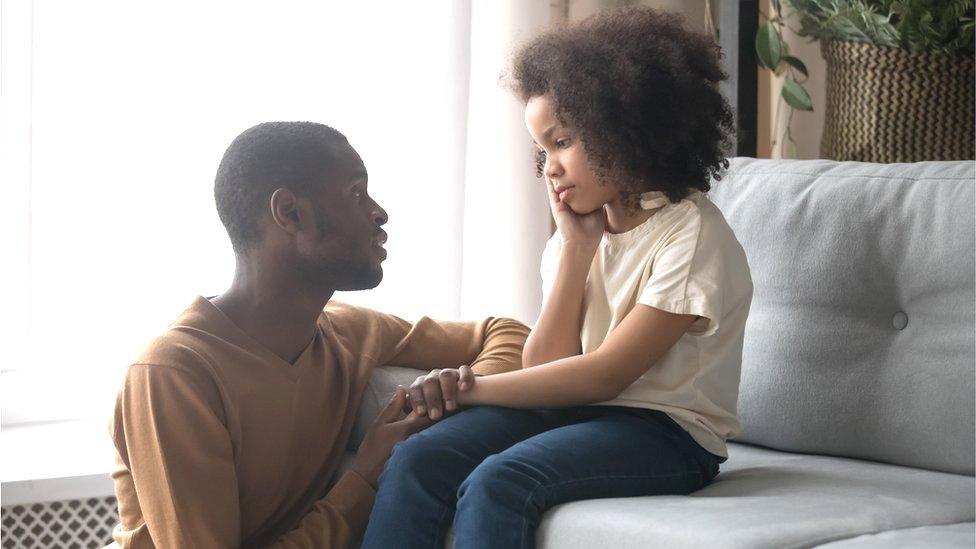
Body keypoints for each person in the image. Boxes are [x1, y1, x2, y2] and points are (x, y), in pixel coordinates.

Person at [361, 7, 753, 548]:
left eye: (563, 141)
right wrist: (575, 248)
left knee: (500, 482)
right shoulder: (576, 239)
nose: (549, 167)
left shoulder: (690, 235)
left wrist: (469, 389)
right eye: (541, 150)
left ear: (622, 129)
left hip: (667, 435)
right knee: (419, 457)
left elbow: (604, 376)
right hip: (578, 416)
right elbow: (547, 368)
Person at [108, 122, 530, 548]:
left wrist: (463, 398)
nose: (379, 212)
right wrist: (365, 479)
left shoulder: (347, 332)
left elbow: (507, 332)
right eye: (355, 192)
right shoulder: (173, 373)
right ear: (290, 212)